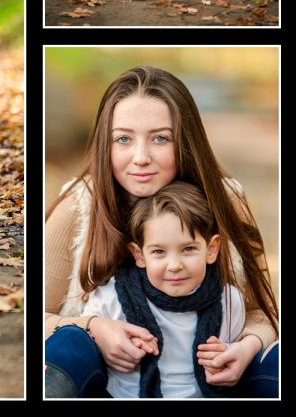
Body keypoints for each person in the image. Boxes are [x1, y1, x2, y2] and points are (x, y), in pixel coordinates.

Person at [44, 66, 278, 398]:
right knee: (66, 346)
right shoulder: (79, 207)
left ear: (185, 142)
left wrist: (247, 346)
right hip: (106, 383)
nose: (141, 157)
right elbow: (33, 319)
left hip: (214, 383)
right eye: (123, 138)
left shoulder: (226, 202)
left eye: (160, 138)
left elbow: (263, 312)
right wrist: (94, 328)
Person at [82, 181, 245, 398]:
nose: (175, 265)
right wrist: (108, 344)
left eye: (188, 249)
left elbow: (236, 357)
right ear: (139, 255)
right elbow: (82, 344)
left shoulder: (228, 300)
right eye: (159, 252)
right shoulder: (112, 296)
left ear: (212, 249)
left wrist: (222, 358)